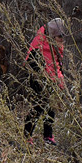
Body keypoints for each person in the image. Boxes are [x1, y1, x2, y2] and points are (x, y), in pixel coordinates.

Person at [24, 17, 65, 145]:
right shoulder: (39, 45)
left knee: (51, 107)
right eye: (59, 38)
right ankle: (27, 135)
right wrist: (45, 80)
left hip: (51, 79)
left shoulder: (55, 46)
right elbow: (32, 64)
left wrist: (59, 80)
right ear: (52, 36)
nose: (62, 41)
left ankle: (48, 136)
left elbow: (57, 64)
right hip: (38, 78)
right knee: (38, 107)